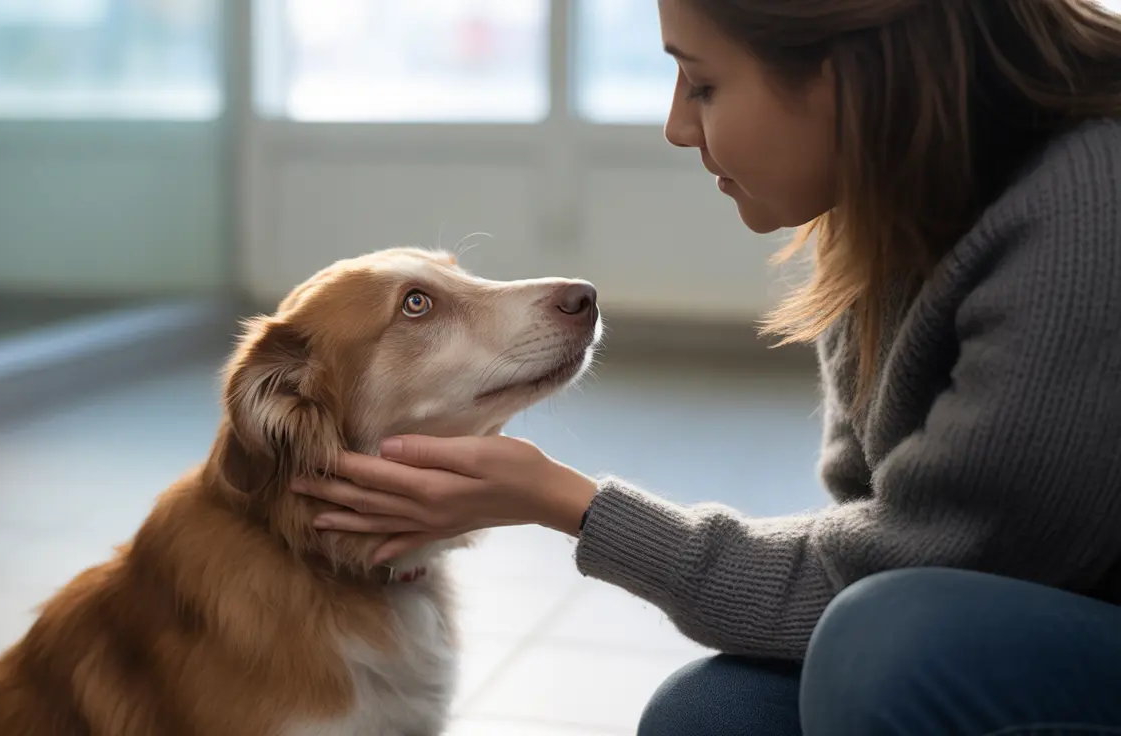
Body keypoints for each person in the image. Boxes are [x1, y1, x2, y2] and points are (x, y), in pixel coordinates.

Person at [292, 0, 1121, 733]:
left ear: (844, 77)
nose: (678, 126)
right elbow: (878, 531)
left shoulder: (1085, 213)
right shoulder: (889, 219)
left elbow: (891, 584)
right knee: (706, 717)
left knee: (884, 648)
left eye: (703, 84)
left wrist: (561, 500)